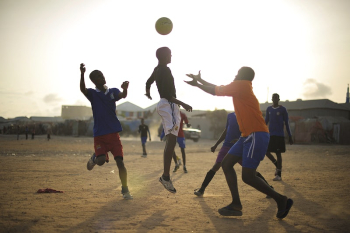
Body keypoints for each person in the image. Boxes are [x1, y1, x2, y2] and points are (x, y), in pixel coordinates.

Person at [185, 67, 293, 219]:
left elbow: (216, 91)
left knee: (248, 177)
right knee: (226, 163)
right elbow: (219, 88)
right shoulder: (241, 87)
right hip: (246, 136)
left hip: (256, 134)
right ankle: (236, 204)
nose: (234, 75)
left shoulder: (242, 85)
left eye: (237, 73)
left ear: (242, 76)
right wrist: (200, 81)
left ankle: (281, 200)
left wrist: (198, 84)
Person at [80, 63, 133, 200]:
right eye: (98, 76)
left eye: (102, 74)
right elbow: (83, 89)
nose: (102, 77)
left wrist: (125, 89)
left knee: (120, 163)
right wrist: (82, 74)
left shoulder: (112, 91)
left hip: (114, 135)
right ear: (94, 81)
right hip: (100, 136)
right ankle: (95, 157)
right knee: (102, 161)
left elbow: (122, 95)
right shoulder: (92, 94)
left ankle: (125, 189)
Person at [145, 47, 193, 193]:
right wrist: (183, 103)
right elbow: (166, 93)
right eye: (170, 54)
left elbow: (148, 82)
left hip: (165, 105)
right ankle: (165, 177)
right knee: (172, 140)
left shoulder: (157, 69)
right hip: (169, 104)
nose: (171, 56)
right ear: (165, 56)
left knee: (171, 140)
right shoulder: (165, 70)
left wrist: (148, 93)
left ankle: (166, 176)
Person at [194, 112, 273, 198]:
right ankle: (202, 189)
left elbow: (250, 131)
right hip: (226, 145)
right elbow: (226, 130)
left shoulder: (247, 114)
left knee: (251, 171)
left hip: (240, 147)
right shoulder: (230, 115)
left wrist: (240, 140)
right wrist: (216, 144)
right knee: (216, 166)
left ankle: (269, 189)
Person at [265, 93, 293, 181]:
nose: (275, 99)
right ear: (272, 99)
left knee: (278, 154)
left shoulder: (283, 109)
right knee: (266, 151)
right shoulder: (269, 109)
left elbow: (287, 123)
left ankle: (279, 175)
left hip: (279, 135)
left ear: (279, 99)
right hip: (271, 135)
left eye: (276, 98)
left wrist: (290, 135)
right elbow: (265, 122)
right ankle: (277, 164)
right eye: (273, 98)